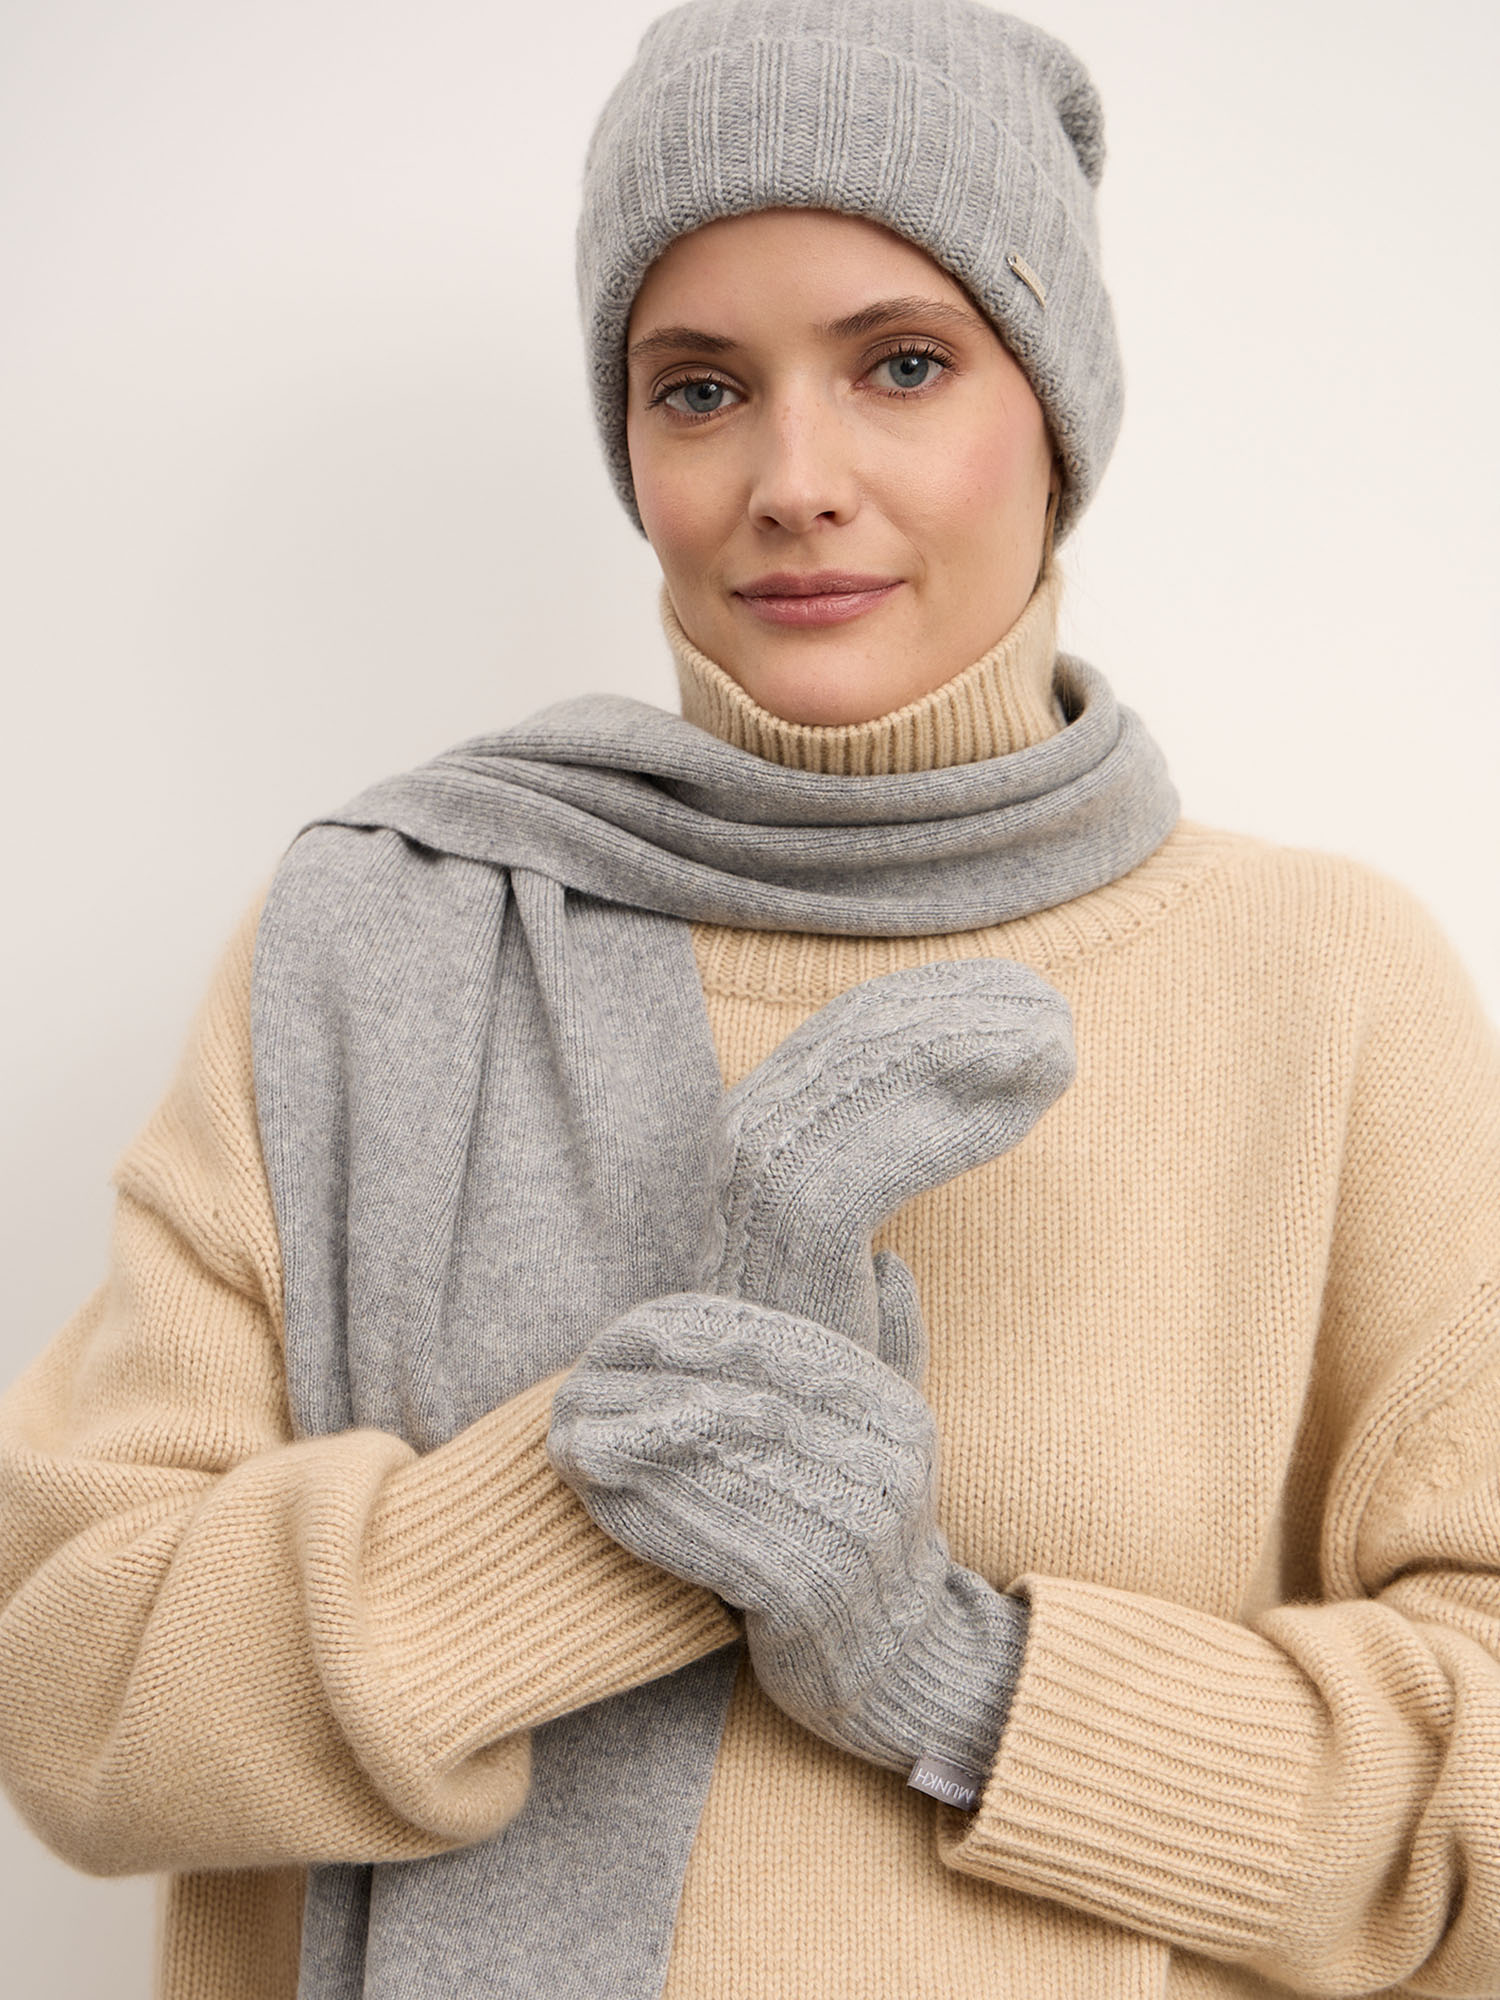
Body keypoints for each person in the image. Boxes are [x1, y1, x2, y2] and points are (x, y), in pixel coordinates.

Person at [2, 1, 1499, 1997]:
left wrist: (952, 1673)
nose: (794, 479)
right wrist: (607, 1513)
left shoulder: (1326, 986)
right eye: (699, 388)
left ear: (1057, 408)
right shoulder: (375, 941)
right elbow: (69, 1679)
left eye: (903, 364)